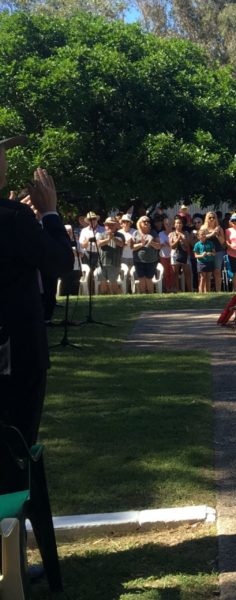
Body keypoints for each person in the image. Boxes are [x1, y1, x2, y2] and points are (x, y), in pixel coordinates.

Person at [0, 133, 72, 495]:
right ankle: (11, 545)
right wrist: (48, 213)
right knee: (14, 450)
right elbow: (60, 262)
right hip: (16, 354)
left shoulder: (13, 218)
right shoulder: (12, 219)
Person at [132, 215, 161, 293]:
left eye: (148, 221)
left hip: (151, 260)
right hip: (138, 260)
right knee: (141, 278)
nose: (147, 223)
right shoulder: (135, 233)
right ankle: (143, 296)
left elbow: (158, 246)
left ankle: (150, 295)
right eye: (144, 221)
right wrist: (141, 244)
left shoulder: (153, 233)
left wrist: (151, 242)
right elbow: (132, 247)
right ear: (140, 223)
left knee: (149, 279)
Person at [97, 216, 125, 294]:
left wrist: (113, 238)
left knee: (113, 282)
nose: (109, 226)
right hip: (101, 263)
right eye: (108, 224)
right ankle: (104, 299)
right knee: (103, 282)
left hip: (114, 263)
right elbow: (99, 244)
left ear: (116, 225)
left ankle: (116, 297)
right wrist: (108, 239)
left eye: (112, 224)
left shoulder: (120, 235)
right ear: (105, 226)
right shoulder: (101, 234)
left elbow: (121, 244)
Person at [200, 212, 226, 292]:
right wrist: (212, 234)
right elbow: (201, 238)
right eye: (210, 217)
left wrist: (217, 234)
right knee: (207, 272)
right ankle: (205, 291)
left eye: (213, 217)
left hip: (218, 251)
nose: (212, 219)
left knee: (217, 271)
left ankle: (218, 291)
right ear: (207, 218)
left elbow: (222, 242)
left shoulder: (219, 228)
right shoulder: (203, 228)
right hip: (207, 252)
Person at [169, 215, 194, 292]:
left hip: (185, 255)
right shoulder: (171, 234)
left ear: (182, 224)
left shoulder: (186, 233)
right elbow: (172, 246)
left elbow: (187, 245)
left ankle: (189, 290)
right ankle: (177, 289)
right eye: (177, 223)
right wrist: (177, 240)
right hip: (175, 255)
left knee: (187, 273)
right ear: (174, 225)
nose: (179, 224)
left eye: (180, 223)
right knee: (175, 273)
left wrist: (182, 238)